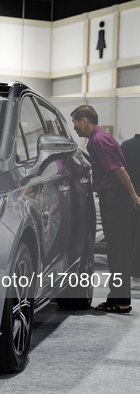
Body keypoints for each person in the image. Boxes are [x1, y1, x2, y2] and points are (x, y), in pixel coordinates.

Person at [70, 105, 140, 314]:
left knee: (117, 251)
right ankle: (117, 299)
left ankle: (120, 301)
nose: (74, 128)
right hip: (114, 197)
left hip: (115, 199)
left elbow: (119, 169)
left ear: (85, 120)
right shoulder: (100, 139)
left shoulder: (99, 140)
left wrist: (133, 195)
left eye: (75, 123)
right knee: (116, 250)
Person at [121, 134, 140, 284]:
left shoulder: (126, 146)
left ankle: (131, 275)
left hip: (129, 198)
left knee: (129, 235)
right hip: (132, 197)